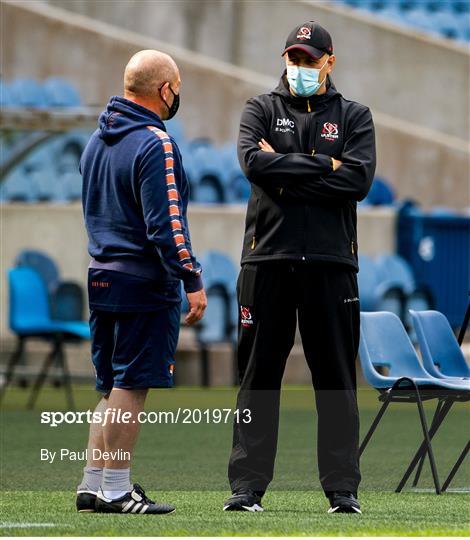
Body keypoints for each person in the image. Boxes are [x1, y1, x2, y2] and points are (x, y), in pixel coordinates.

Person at [224, 21, 376, 514]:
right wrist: (325, 167)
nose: (301, 67)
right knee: (257, 378)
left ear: (330, 61)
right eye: (295, 57)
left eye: (311, 59)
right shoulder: (259, 109)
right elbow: (252, 163)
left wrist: (285, 170)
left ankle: (342, 491)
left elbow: (357, 181)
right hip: (267, 260)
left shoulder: (355, 116)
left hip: (331, 264)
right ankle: (246, 489)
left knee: (335, 380)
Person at [77, 50, 207, 514]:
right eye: (178, 86)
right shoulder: (155, 143)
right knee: (131, 387)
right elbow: (167, 225)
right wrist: (191, 277)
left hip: (101, 278)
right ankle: (116, 487)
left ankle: (93, 483)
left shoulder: (96, 140)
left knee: (110, 387)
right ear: (164, 89)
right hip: (142, 284)